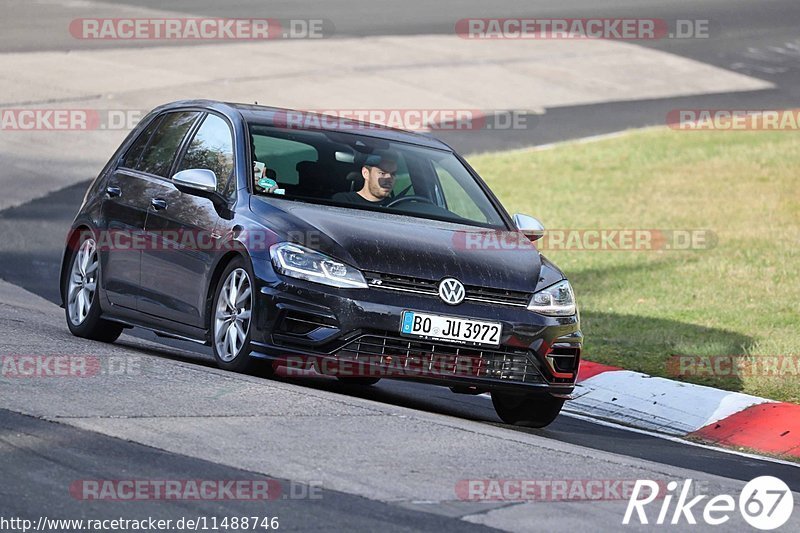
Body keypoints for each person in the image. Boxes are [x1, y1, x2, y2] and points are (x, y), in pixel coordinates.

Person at [332, 150, 398, 206]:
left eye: (393, 174)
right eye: (382, 173)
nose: (389, 179)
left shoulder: (398, 205)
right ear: (365, 173)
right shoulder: (343, 201)